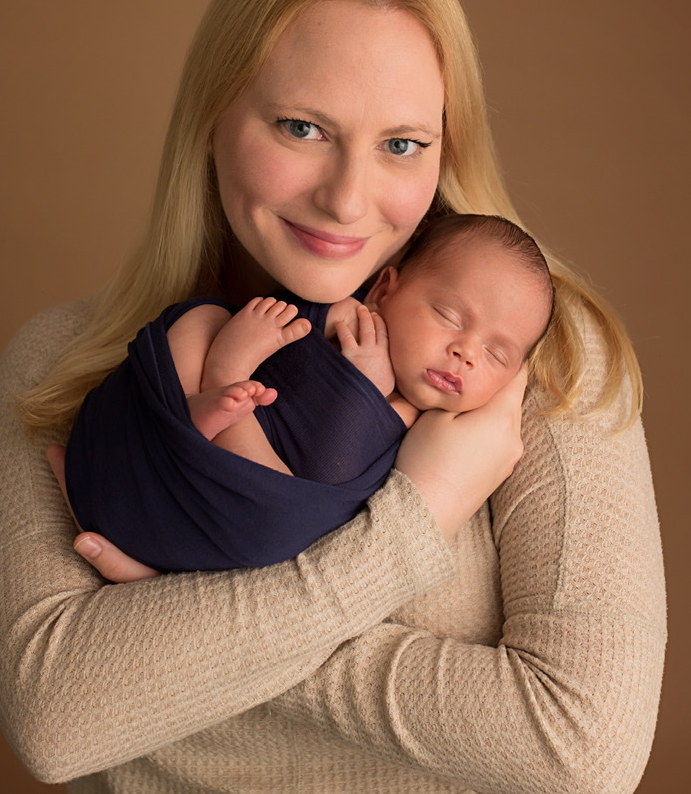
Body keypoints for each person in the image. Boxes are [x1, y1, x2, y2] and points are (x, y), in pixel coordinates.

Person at [0, 0, 665, 792]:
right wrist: (417, 520)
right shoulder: (63, 364)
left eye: (402, 145)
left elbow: (584, 747)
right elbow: (56, 717)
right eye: (302, 128)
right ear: (213, 117)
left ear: (445, 147)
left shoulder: (542, 360)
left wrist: (174, 614)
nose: (346, 199)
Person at [62, 213, 555, 573]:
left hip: (242, 514)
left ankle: (220, 390)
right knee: (199, 322)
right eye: (448, 316)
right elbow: (281, 327)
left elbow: (328, 490)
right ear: (385, 290)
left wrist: (370, 393)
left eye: (497, 355)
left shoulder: (453, 434)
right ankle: (213, 391)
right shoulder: (348, 317)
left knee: (286, 521)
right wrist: (355, 373)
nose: (467, 353)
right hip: (142, 462)